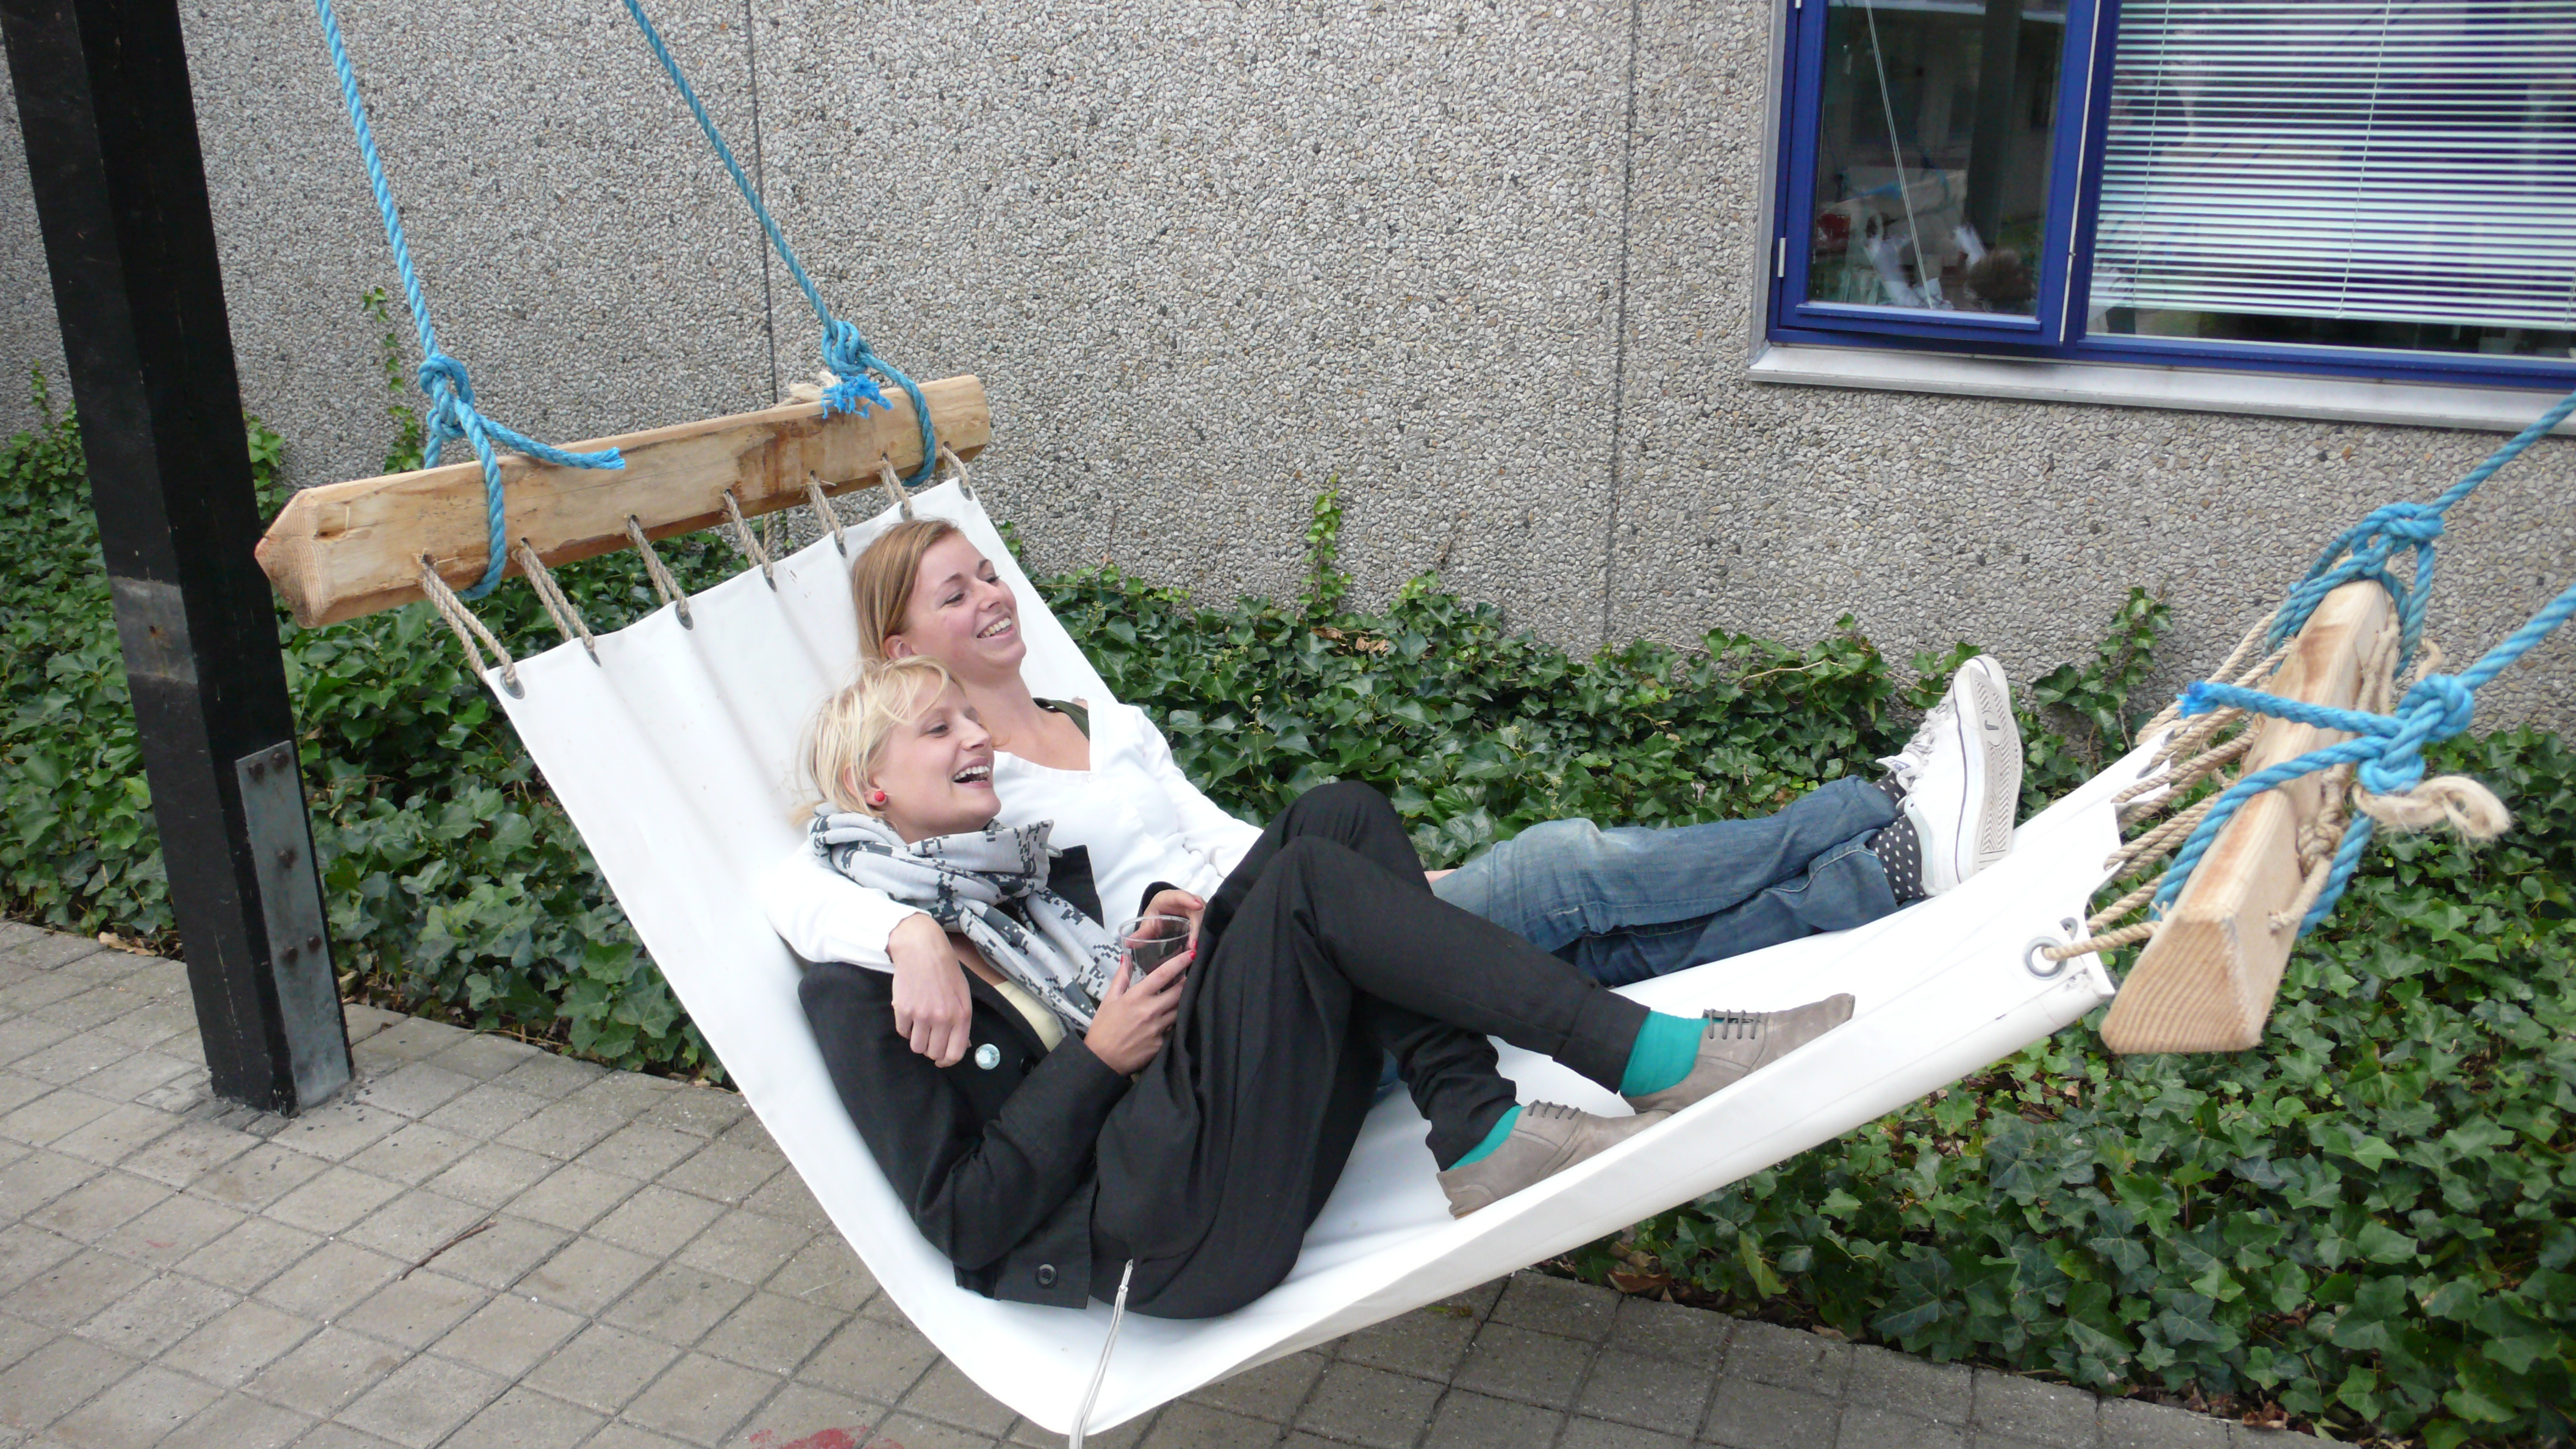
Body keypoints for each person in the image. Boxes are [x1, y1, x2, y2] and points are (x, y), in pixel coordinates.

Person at [795, 657, 1853, 1318]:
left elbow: (1120, 1017)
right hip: (1157, 1238)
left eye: (967, 720)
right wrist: (1099, 1056)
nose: (978, 737)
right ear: (866, 786)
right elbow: (963, 1218)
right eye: (940, 730)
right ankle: (1648, 1055)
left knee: (1338, 816)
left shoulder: (1018, 882)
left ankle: (1479, 1130)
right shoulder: (858, 984)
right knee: (1311, 878)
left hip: (1179, 1138)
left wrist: (1169, 935)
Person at [761, 518, 2020, 1068]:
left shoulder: (1097, 720)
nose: (992, 599)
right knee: (1561, 868)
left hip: (1297, 912)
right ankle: (1869, 806)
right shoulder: (956, 793)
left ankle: (1881, 878)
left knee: (1604, 952)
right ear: (901, 647)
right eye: (956, 594)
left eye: (990, 575)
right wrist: (906, 935)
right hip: (1242, 987)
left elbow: (1219, 837)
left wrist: (1385, 888)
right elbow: (798, 879)